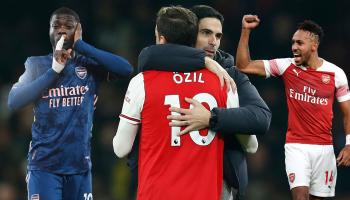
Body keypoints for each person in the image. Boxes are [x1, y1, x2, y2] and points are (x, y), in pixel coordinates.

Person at [136, 5, 271, 200]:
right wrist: (203, 60)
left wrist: (212, 117)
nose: (213, 42)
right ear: (189, 34)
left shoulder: (229, 74)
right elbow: (148, 55)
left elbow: (261, 117)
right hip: (166, 177)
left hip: (217, 181)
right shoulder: (161, 66)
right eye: (206, 33)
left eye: (218, 36)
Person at [113, 6, 239, 200]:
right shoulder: (222, 81)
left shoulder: (142, 82)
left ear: (161, 39)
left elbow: (121, 148)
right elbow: (251, 145)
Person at [7, 7, 133, 199]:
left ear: (78, 29)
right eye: (56, 25)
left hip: (80, 167)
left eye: (68, 25)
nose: (62, 30)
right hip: (44, 168)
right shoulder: (36, 65)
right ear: (49, 31)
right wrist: (54, 71)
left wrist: (81, 46)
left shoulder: (88, 65)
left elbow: (126, 69)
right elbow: (13, 102)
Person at [235, 14, 350, 200]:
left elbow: (347, 113)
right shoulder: (285, 66)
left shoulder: (336, 74)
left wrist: (349, 144)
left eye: (299, 43)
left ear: (314, 46)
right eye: (293, 42)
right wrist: (245, 31)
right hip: (296, 146)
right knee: (300, 197)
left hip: (324, 148)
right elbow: (243, 65)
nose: (294, 47)